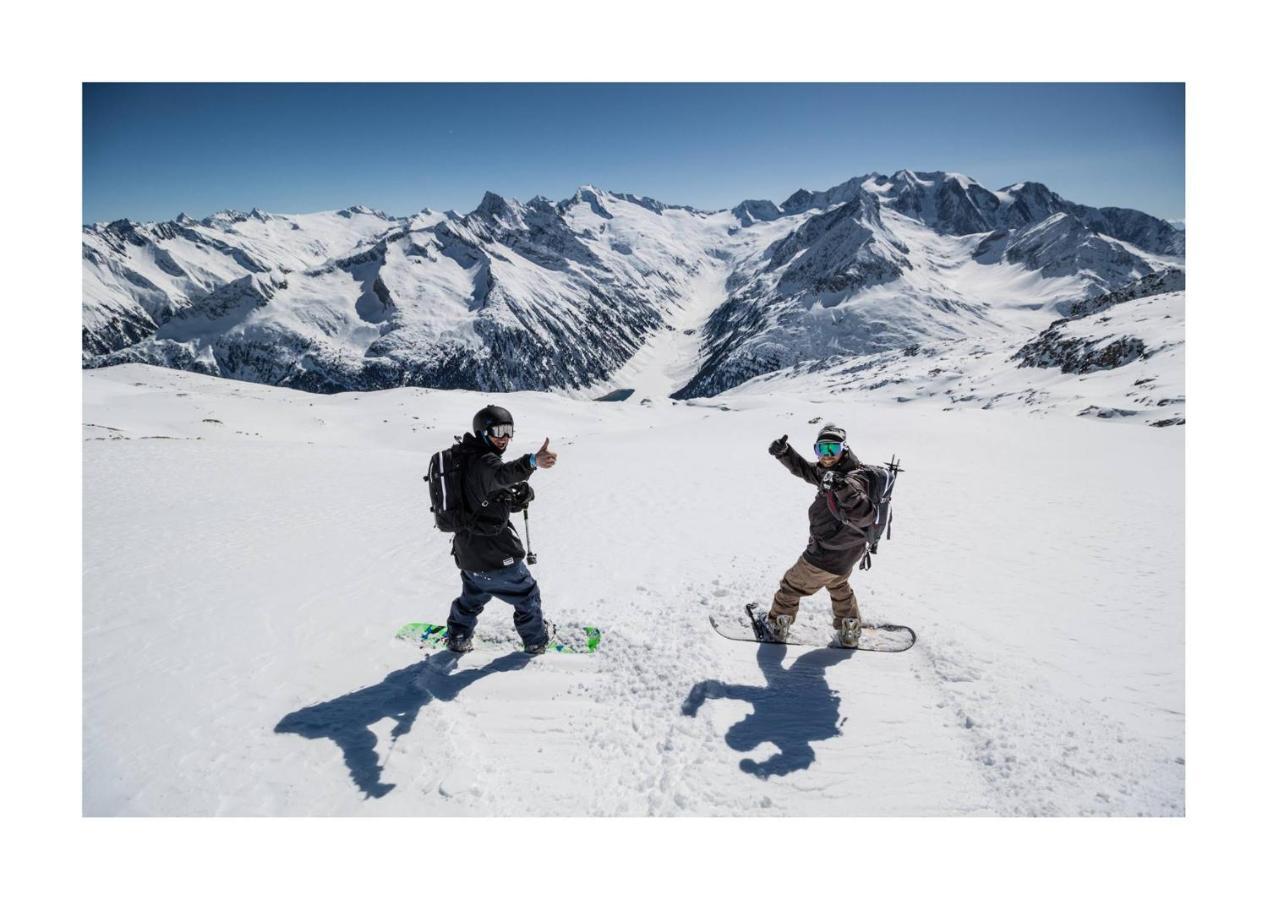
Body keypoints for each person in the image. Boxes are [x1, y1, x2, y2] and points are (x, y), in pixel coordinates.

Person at [445, 404, 558, 654]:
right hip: (496, 554)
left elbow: (485, 495)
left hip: (468, 554)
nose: (505, 438)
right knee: (527, 594)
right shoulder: (485, 462)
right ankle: (537, 640)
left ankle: (458, 636)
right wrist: (532, 461)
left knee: (472, 596)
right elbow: (503, 474)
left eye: (509, 431)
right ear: (483, 432)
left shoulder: (465, 458)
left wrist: (514, 497)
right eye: (498, 431)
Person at [765, 423, 872, 648]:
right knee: (837, 583)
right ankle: (849, 627)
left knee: (790, 586)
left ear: (844, 448)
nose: (827, 455)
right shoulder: (831, 472)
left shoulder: (852, 479)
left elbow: (864, 513)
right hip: (848, 554)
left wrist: (843, 488)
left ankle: (777, 625)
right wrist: (785, 453)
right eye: (821, 449)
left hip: (824, 554)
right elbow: (808, 471)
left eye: (833, 448)